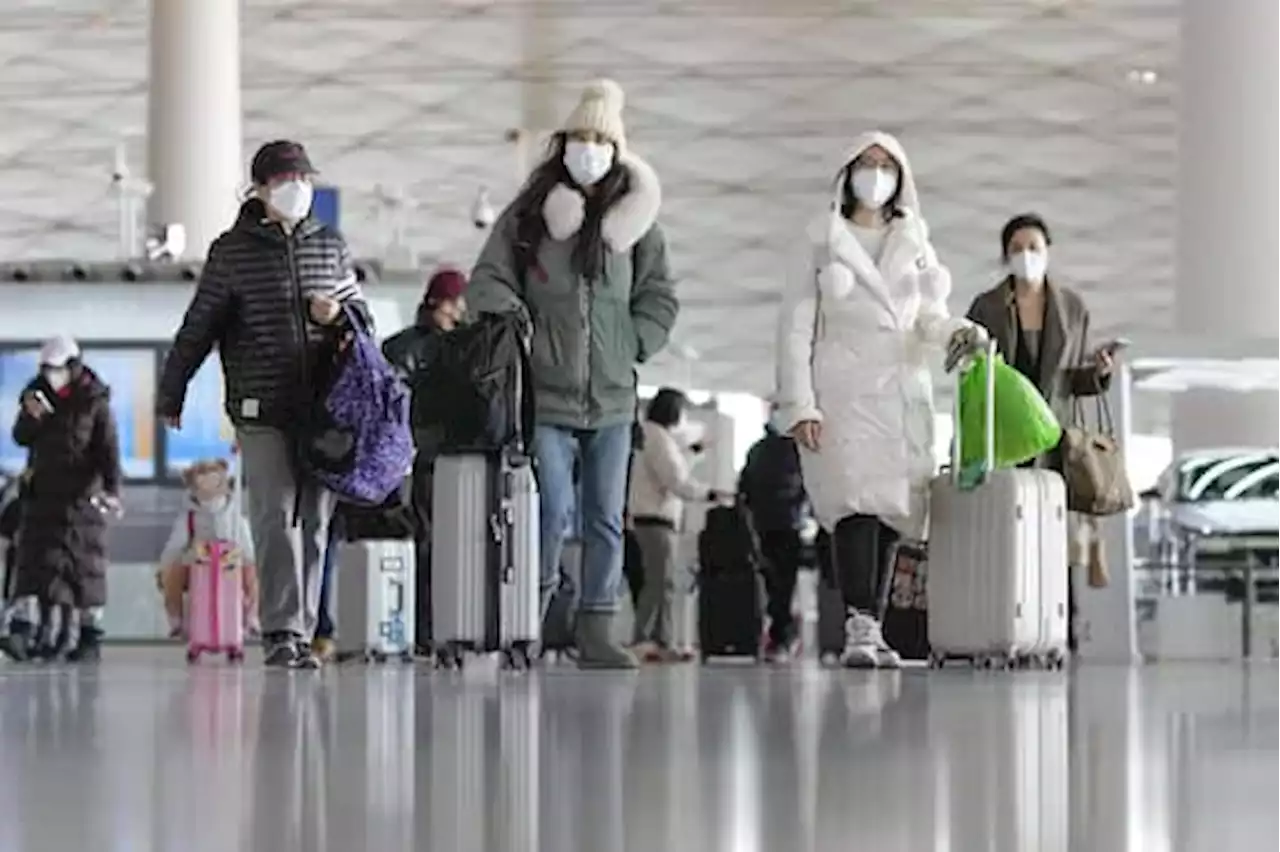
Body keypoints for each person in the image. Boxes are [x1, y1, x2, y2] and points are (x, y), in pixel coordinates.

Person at [468, 79, 678, 669]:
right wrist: (516, 319)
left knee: (606, 519)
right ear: (562, 143)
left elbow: (659, 296)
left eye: (600, 139)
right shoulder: (529, 218)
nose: (589, 149)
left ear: (618, 151)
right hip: (548, 397)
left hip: (612, 399)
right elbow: (487, 279)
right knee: (552, 509)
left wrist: (635, 342)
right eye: (579, 137)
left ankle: (597, 630)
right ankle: (527, 623)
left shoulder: (637, 227)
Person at [775, 130, 987, 669]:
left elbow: (928, 317)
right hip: (842, 391)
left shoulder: (914, 239)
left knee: (895, 510)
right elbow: (795, 326)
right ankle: (859, 623)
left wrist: (958, 334)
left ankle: (875, 627)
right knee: (854, 506)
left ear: (900, 178)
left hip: (901, 390)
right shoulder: (820, 237)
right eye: (865, 163)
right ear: (846, 173)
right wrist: (800, 405)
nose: (875, 174)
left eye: (885, 165)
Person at [157, 139, 372, 669]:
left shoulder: (331, 245)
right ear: (259, 189)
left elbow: (363, 320)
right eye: (285, 181)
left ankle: (303, 625)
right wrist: (173, 388)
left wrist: (337, 318)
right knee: (275, 515)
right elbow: (199, 325)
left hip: (323, 410)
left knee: (317, 520)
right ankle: (282, 630)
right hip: (260, 406)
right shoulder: (233, 252)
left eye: (304, 179)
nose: (298, 189)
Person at [965, 212, 1114, 651]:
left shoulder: (1072, 308)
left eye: (1034, 248)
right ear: (1005, 256)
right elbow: (970, 372)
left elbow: (1075, 380)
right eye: (1017, 249)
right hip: (1005, 437)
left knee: (1054, 537)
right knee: (1006, 535)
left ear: (1048, 253)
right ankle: (1007, 625)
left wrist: (1100, 372)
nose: (1026, 256)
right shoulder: (986, 307)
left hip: (1053, 439)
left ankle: (1060, 630)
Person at [3, 336, 121, 663]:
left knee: (83, 569)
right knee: (40, 568)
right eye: (45, 368)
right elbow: (21, 437)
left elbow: (108, 451)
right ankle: (38, 634)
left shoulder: (95, 403)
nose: (49, 374)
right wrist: (31, 415)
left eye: (55, 369)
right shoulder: (36, 396)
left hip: (82, 500)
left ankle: (86, 636)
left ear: (73, 367)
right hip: (43, 497)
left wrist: (112, 491)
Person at [382, 266, 469, 657]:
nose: (458, 311)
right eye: (454, 302)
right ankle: (426, 630)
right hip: (424, 459)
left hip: (435, 457)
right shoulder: (422, 349)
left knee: (432, 543)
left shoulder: (411, 345)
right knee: (428, 543)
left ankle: (431, 629)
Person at [627, 388, 723, 662]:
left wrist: (693, 452)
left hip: (650, 517)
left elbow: (672, 469)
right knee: (660, 583)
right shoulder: (658, 438)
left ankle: (658, 639)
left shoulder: (654, 436)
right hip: (656, 519)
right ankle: (650, 639)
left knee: (658, 581)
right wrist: (709, 493)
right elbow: (675, 480)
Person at [737, 405, 809, 663]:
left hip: (768, 524)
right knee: (781, 585)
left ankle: (780, 636)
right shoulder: (796, 450)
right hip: (783, 524)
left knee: (776, 584)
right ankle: (781, 636)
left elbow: (743, 488)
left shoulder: (759, 450)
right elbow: (806, 487)